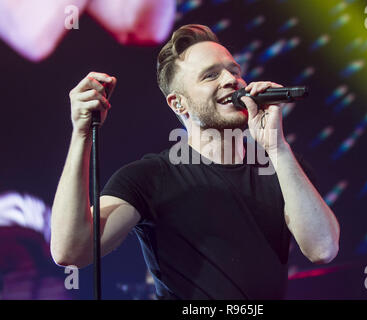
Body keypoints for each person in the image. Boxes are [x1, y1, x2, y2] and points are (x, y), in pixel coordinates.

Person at [50, 24, 340, 299]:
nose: (232, 80)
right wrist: (82, 134)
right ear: (178, 103)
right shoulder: (150, 178)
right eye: (210, 75)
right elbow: (71, 251)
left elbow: (323, 248)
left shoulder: (281, 166)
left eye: (234, 71)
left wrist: (277, 148)